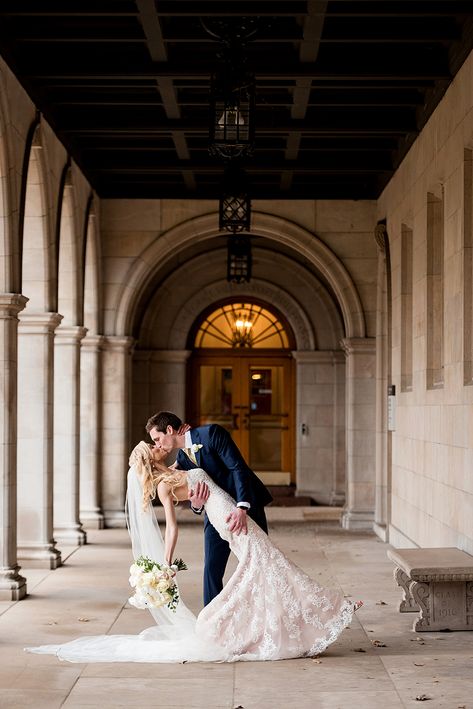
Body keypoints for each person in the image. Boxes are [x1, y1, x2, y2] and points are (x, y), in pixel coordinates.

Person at [26, 442, 361, 663]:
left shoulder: (177, 467)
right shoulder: (161, 485)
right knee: (269, 564)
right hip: (228, 520)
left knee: (269, 565)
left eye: (155, 442)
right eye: (151, 447)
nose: (156, 447)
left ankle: (305, 615)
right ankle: (326, 609)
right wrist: (166, 561)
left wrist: (200, 503)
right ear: (148, 460)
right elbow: (171, 525)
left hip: (229, 513)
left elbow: (201, 494)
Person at [145, 411, 273, 605]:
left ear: (169, 430)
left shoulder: (211, 433)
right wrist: (196, 506)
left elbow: (237, 467)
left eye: (158, 438)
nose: (158, 444)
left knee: (261, 562)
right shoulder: (182, 459)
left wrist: (241, 507)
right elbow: (196, 493)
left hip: (245, 506)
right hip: (216, 514)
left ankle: (267, 613)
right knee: (211, 569)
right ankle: (211, 625)